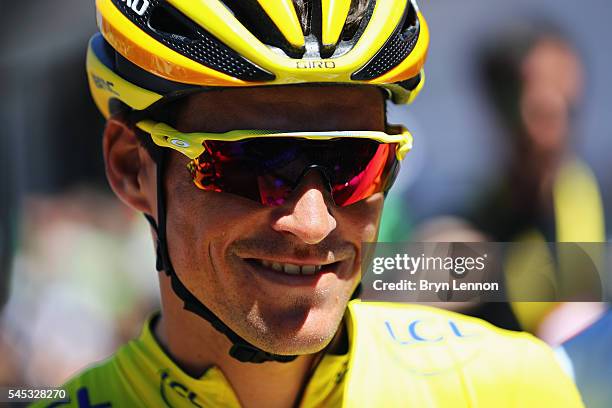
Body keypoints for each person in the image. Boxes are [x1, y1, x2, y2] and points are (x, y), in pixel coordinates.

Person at [35, 1, 582, 407]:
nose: (312, 223)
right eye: (249, 162)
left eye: (356, 163)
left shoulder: (511, 388)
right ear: (132, 167)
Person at [466, 21, 606, 336]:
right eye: (539, 107)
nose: (555, 121)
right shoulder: (481, 226)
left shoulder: (591, 200)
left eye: (567, 104)